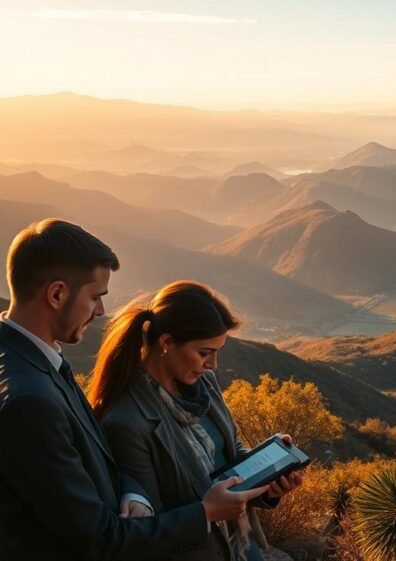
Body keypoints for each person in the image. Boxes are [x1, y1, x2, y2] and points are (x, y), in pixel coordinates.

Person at [0, 218, 270, 560]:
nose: (100, 310)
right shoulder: (30, 401)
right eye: (96, 297)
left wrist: (132, 495)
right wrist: (203, 513)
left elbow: (96, 465)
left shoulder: (33, 363)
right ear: (56, 294)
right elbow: (99, 538)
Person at [90, 280, 303, 561]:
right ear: (166, 343)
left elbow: (229, 455)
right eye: (205, 353)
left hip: (241, 546)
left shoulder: (205, 386)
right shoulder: (126, 421)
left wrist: (269, 482)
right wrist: (207, 511)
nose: (213, 364)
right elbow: (147, 525)